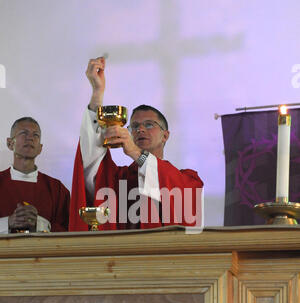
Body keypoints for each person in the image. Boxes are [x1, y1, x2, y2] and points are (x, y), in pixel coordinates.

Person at [69, 57, 203, 231]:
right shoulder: (119, 178)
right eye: (134, 126)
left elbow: (184, 205)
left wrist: (135, 152)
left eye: (149, 125)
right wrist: (97, 92)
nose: (140, 130)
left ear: (165, 136)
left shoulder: (188, 180)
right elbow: (90, 161)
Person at [0, 117, 70, 233]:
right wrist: (8, 222)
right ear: (10, 143)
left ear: (40, 148)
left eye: (35, 135)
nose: (30, 138)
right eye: (24, 133)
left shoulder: (56, 189)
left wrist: (40, 225)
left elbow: (70, 229)